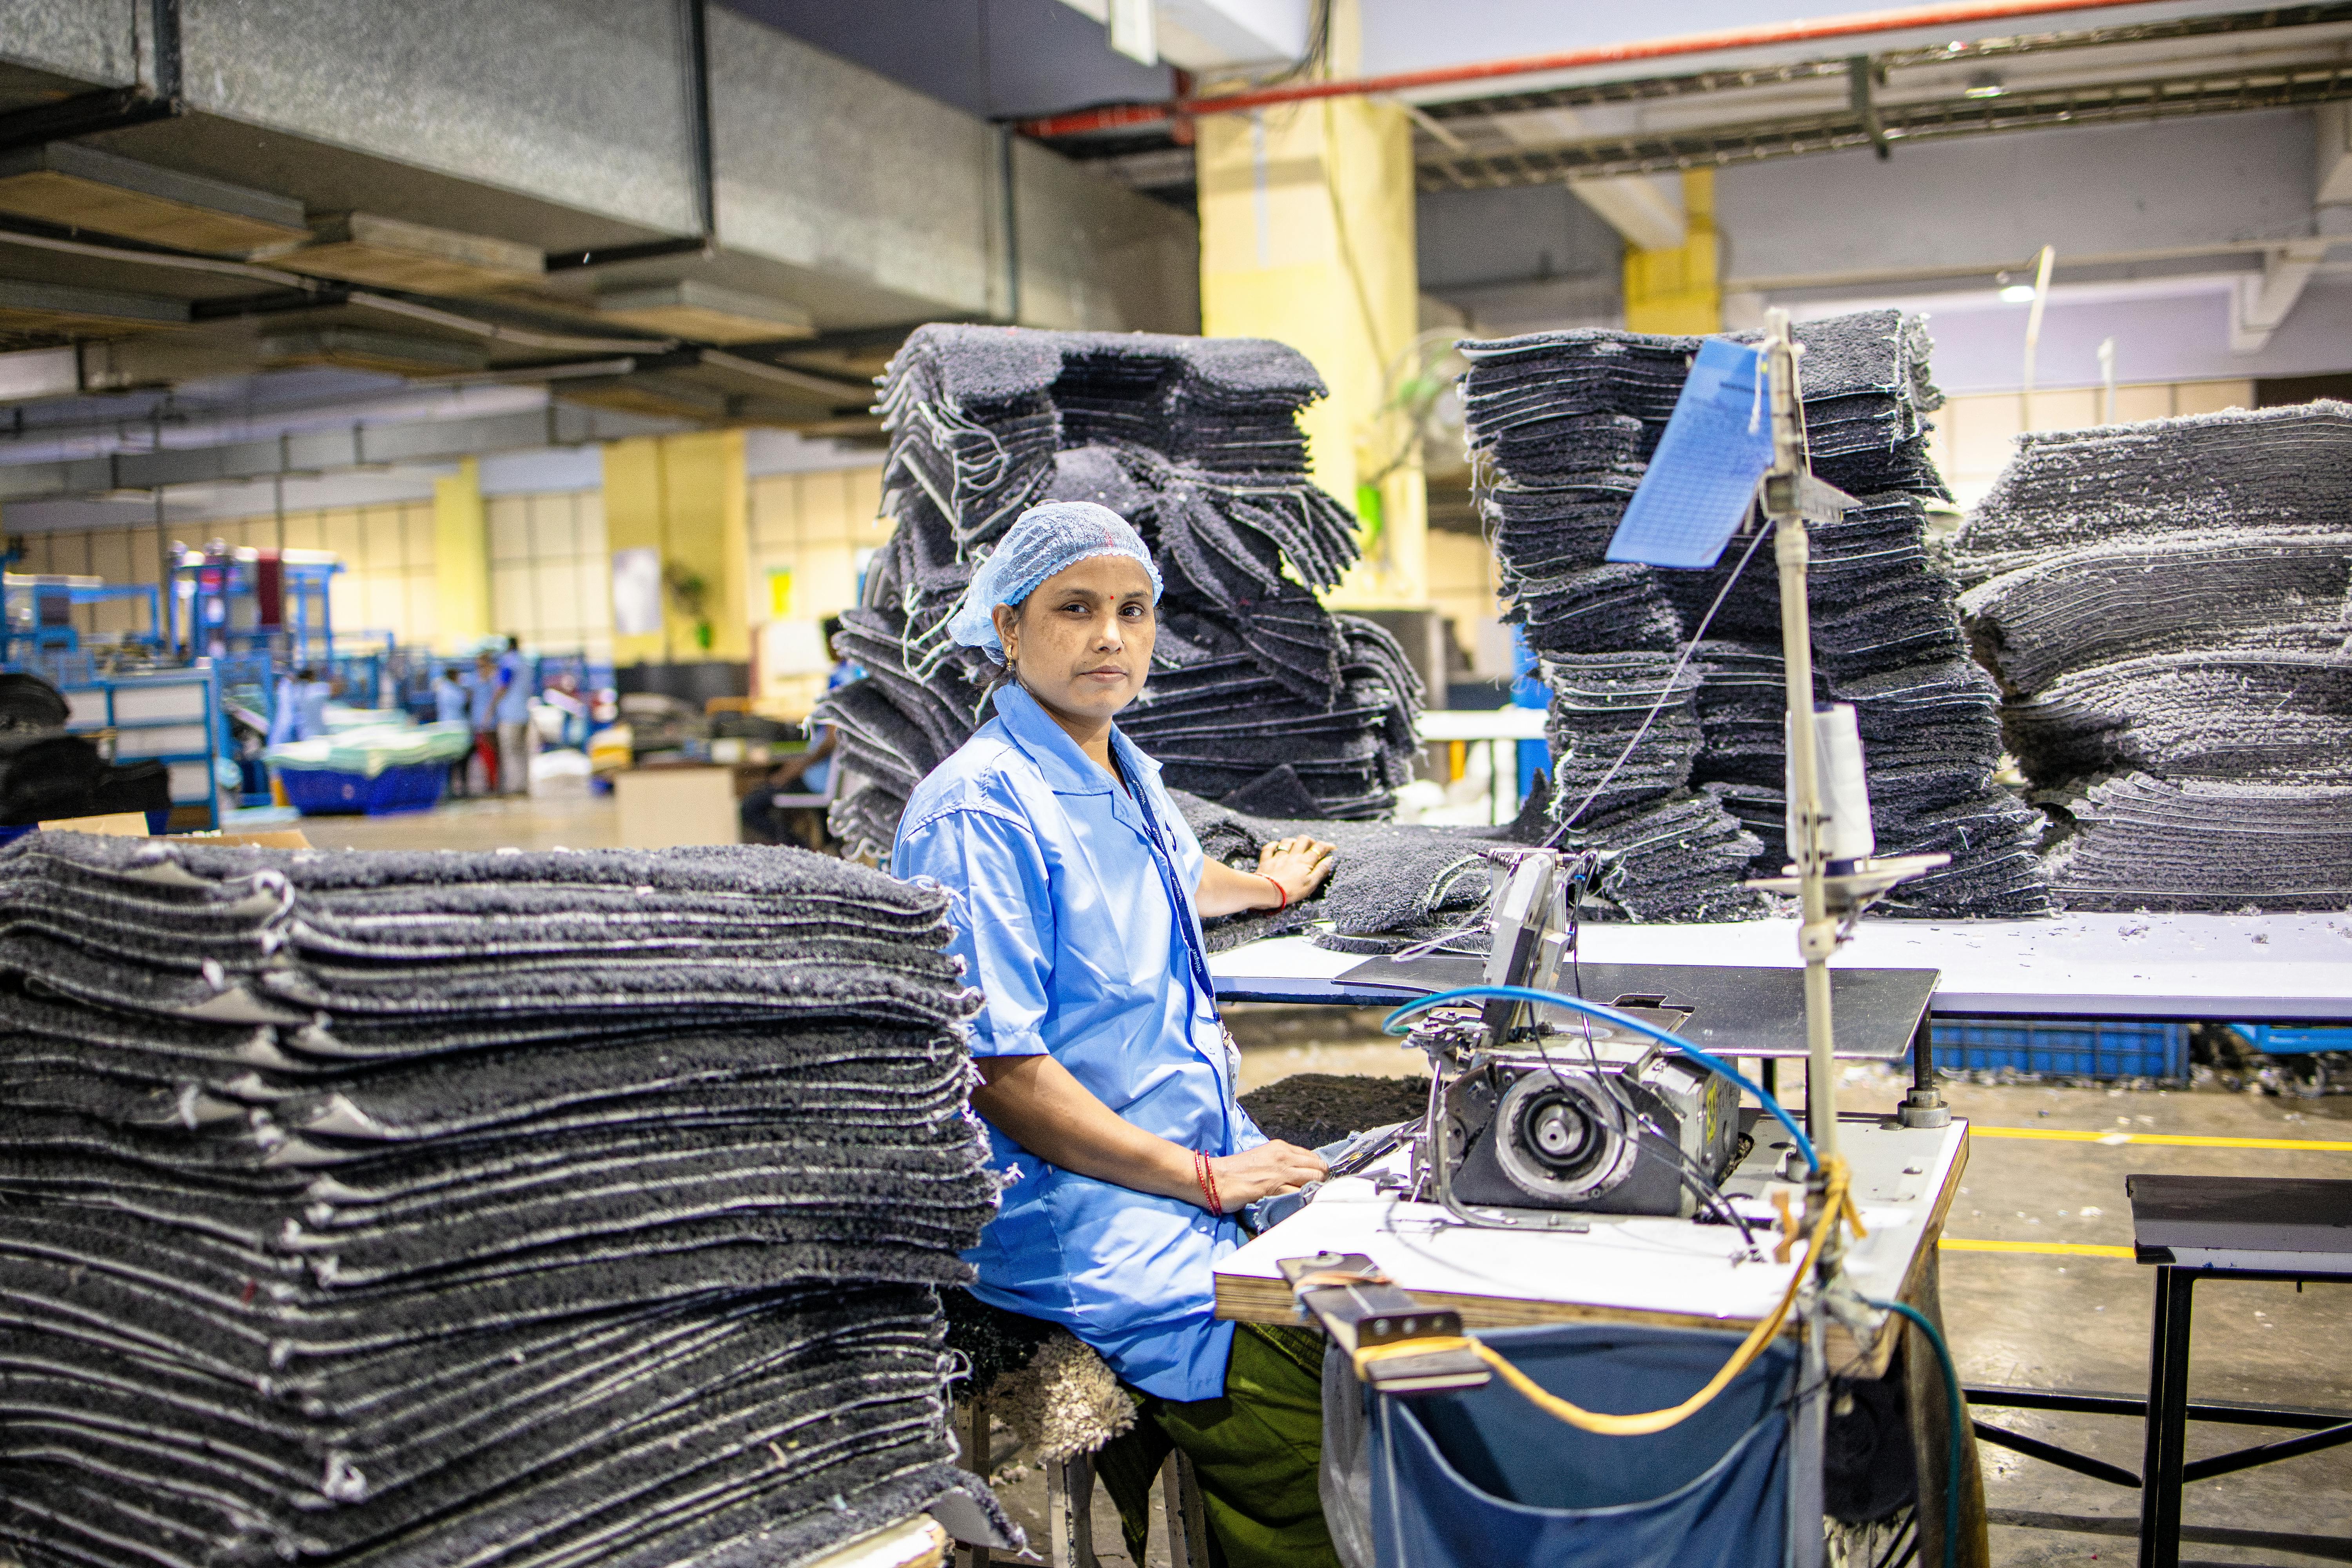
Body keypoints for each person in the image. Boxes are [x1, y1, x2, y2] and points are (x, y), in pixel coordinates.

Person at [892, 502, 1341, 1568]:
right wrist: (1200, 1177)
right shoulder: (978, 813)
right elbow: (1001, 1076)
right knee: (1317, 1412)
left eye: (1133, 612)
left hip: (1187, 1165)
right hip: (1079, 1213)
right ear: (1008, 628)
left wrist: (1263, 886)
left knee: (1398, 1313)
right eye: (1076, 609)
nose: (1110, 637)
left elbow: (1174, 869)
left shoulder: (1118, 767)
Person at [494, 635, 533, 797]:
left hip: (510, 715)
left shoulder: (509, 663)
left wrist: (492, 707)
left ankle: (515, 787)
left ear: (509, 646)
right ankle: (524, 785)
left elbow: (502, 687)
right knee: (523, 751)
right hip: (524, 714)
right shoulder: (526, 663)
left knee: (511, 752)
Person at [435, 666, 474, 798]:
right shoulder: (452, 690)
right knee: (460, 762)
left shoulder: (444, 689)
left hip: (449, 729)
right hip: (456, 731)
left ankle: (452, 789)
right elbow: (464, 703)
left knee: (452, 762)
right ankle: (459, 788)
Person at [468, 650, 500, 794]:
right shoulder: (475, 681)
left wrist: (488, 717)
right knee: (485, 756)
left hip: (490, 725)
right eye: (478, 666)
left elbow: (496, 700)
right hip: (479, 724)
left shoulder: (494, 680)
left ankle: (495, 783)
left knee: (492, 755)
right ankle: (491, 783)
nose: (480, 669)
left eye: (482, 665)